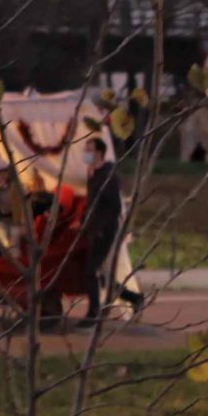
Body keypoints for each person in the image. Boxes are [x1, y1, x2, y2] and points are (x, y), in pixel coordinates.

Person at [77, 135, 124, 315]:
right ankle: (132, 297)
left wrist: (102, 228)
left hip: (104, 230)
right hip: (94, 229)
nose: (85, 153)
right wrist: (83, 222)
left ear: (99, 153)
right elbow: (92, 203)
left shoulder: (107, 176)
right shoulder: (93, 174)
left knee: (91, 271)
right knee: (99, 272)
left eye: (89, 150)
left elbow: (114, 206)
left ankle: (93, 311)